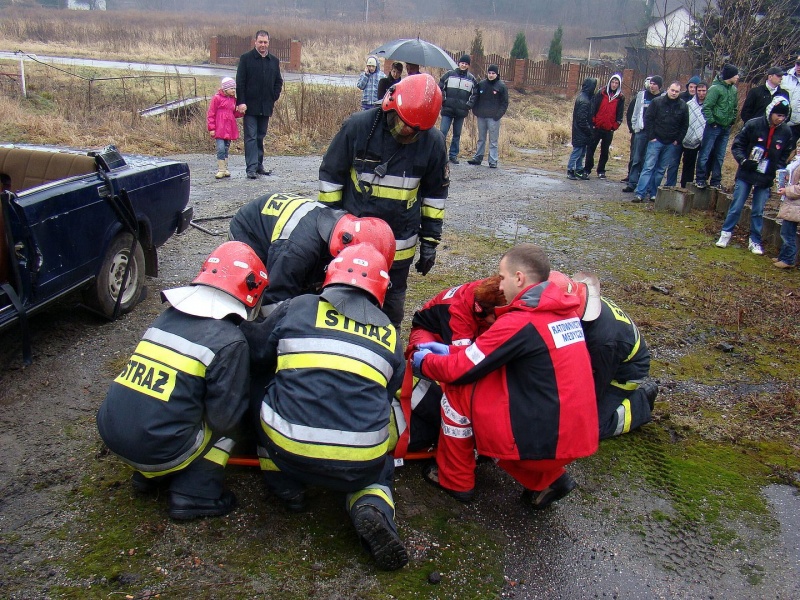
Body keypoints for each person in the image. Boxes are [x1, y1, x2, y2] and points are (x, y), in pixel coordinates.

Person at [242, 243, 407, 571]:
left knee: (261, 385)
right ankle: (369, 503)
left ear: (329, 277)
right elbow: (390, 391)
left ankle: (286, 489)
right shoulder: (390, 335)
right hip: (359, 465)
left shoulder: (299, 306)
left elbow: (256, 353)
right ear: (381, 291)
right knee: (380, 456)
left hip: (288, 452)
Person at [412, 244, 598, 507]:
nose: (499, 285)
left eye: (502, 277)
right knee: (490, 393)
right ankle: (549, 480)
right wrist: (449, 350)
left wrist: (425, 363)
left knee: (458, 393)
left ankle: (454, 480)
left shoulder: (520, 322)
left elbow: (461, 369)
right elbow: (482, 356)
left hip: (544, 442)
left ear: (519, 278)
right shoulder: (562, 312)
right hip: (575, 436)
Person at [96, 242, 269, 520]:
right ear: (252, 291)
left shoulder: (166, 318)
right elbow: (224, 418)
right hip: (158, 448)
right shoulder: (229, 341)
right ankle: (194, 494)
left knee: (169, 404)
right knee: (227, 431)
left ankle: (148, 477)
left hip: (113, 432)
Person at [318, 73, 449, 327]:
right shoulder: (358, 127)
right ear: (390, 105)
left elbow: (435, 197)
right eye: (402, 126)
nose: (406, 133)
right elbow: (331, 177)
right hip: (353, 239)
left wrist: (430, 242)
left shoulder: (433, 142)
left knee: (391, 310)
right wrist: (328, 226)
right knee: (343, 300)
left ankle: (387, 349)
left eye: (414, 132)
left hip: (400, 244)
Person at [228, 192, 395, 314]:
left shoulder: (340, 225)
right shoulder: (296, 250)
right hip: (250, 233)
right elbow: (274, 300)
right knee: (256, 297)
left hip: (286, 240)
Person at [393, 276, 507, 453]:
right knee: (426, 363)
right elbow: (463, 365)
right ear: (483, 311)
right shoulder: (459, 312)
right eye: (498, 317)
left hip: (462, 329)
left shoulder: (491, 294)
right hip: (428, 333)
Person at [548, 271, 658, 439]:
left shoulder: (603, 342)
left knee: (586, 429)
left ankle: (640, 403)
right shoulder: (581, 302)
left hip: (623, 373)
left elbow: (594, 388)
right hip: (607, 355)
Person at [715, 97, 792, 253]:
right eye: (777, 114)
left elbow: (784, 155)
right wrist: (744, 161)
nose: (780, 118)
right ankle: (726, 233)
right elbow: (737, 145)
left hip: (766, 177)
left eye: (783, 116)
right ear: (770, 112)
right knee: (737, 205)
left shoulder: (785, 132)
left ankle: (755, 240)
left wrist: (777, 171)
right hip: (747, 172)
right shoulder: (753, 124)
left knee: (758, 210)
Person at [236, 30, 284, 180]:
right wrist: (241, 102)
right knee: (251, 136)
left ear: (268, 43)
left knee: (260, 136)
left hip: (266, 106)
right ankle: (251, 168)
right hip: (249, 106)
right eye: (260, 42)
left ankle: (259, 165)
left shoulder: (274, 61)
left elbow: (278, 81)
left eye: (265, 42)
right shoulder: (246, 59)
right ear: (255, 42)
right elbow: (240, 82)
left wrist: (273, 97)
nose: (263, 45)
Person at [633, 81, 689, 203]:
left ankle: (653, 193)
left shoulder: (683, 106)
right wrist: (651, 136)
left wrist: (677, 140)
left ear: (680, 92)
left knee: (660, 170)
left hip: (671, 143)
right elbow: (648, 118)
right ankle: (640, 193)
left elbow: (685, 125)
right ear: (668, 89)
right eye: (672, 90)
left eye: (677, 91)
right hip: (656, 140)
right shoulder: (657, 102)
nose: (674, 93)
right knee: (648, 167)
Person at [695, 64, 739, 189]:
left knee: (720, 155)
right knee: (706, 153)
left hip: (726, 127)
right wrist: (712, 122)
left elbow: (735, 107)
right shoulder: (715, 89)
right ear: (730, 75)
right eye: (736, 74)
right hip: (714, 127)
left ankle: (715, 180)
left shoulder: (733, 90)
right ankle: (700, 178)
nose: (737, 77)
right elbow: (706, 107)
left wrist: (732, 121)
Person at [624, 76, 663, 193]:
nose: (652, 86)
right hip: (641, 131)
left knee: (649, 161)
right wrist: (635, 127)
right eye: (651, 83)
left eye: (655, 84)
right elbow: (635, 112)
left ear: (659, 86)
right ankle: (632, 183)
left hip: (654, 134)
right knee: (636, 159)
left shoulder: (662, 98)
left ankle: (645, 185)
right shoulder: (642, 95)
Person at [438, 55, 478, 164]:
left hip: (461, 111)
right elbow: (440, 87)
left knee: (457, 134)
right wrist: (443, 100)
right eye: (462, 63)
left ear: (468, 65)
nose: (463, 65)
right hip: (447, 109)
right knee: (443, 133)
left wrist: (468, 105)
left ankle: (453, 155)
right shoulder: (449, 75)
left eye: (466, 64)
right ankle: (440, 154)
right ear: (458, 63)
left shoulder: (471, 79)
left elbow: (474, 95)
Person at [468, 64, 509, 169]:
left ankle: (493, 161)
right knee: (481, 139)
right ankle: (478, 158)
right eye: (489, 73)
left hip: (493, 118)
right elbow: (475, 97)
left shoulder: (501, 86)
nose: (491, 75)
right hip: (481, 116)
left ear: (497, 74)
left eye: (493, 73)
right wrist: (475, 111)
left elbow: (504, 103)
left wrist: (498, 115)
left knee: (493, 140)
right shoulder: (481, 84)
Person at [585, 73, 624, 179]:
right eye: (613, 82)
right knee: (591, 149)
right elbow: (593, 108)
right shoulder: (601, 92)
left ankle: (601, 170)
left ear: (619, 84)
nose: (614, 84)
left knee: (605, 151)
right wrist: (593, 122)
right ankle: (587, 169)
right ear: (609, 82)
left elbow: (620, 114)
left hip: (608, 129)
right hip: (597, 127)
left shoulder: (620, 97)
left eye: (616, 83)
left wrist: (614, 126)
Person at [207, 77, 244, 180]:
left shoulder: (233, 100)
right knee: (220, 148)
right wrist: (212, 128)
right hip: (219, 128)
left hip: (229, 128)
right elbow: (211, 113)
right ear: (225, 89)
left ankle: (225, 168)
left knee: (226, 148)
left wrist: (241, 112)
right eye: (231, 88)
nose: (233, 90)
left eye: (234, 88)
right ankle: (221, 169)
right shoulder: (217, 98)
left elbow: (233, 114)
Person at [567, 77, 598, 180]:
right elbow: (582, 120)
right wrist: (589, 131)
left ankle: (579, 170)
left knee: (581, 152)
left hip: (581, 132)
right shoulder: (584, 100)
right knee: (577, 152)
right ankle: (570, 170)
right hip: (581, 132)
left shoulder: (585, 98)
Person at [679, 81, 707, 188]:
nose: (701, 93)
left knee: (703, 163)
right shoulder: (689, 105)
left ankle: (701, 183)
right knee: (688, 165)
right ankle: (685, 187)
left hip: (703, 139)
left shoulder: (709, 106)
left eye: (703, 91)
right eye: (699, 90)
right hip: (688, 139)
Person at [774, 154, 800, 268]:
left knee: (788, 232)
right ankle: (783, 256)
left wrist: (786, 190)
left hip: (796, 204)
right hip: (792, 203)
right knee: (786, 230)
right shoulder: (797, 161)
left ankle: (788, 259)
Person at [623, 77, 650, 183]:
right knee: (635, 156)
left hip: (650, 133)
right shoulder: (639, 97)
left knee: (646, 157)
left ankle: (642, 179)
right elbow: (631, 113)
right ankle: (631, 177)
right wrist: (633, 128)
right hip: (638, 131)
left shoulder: (658, 99)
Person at [779, 55, 800, 148]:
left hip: (797, 125)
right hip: (780, 122)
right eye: (798, 64)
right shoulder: (784, 77)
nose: (799, 67)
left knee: (789, 154)